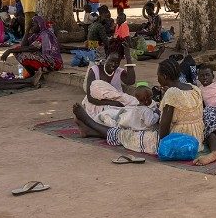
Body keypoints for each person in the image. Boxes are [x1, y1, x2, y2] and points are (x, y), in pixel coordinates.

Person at [72, 59, 205, 155]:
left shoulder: (172, 93)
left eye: (158, 75)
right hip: (196, 139)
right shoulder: (194, 88)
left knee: (128, 135)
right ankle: (89, 131)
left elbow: (164, 127)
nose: (157, 78)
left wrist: (161, 144)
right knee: (137, 124)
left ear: (164, 76)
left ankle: (88, 121)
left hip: (179, 140)